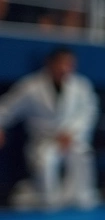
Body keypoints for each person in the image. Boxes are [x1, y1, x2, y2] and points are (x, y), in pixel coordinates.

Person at [0, 47, 99, 210]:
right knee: (46, 161)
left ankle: (81, 199)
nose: (64, 68)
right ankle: (49, 201)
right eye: (61, 63)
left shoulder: (81, 86)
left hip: (71, 139)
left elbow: (89, 113)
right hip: (44, 141)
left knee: (82, 154)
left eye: (69, 64)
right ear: (50, 63)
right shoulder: (31, 86)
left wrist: (72, 133)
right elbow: (7, 108)